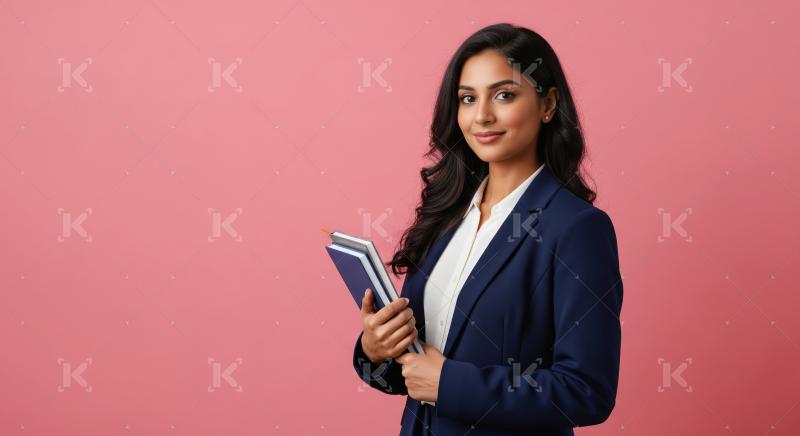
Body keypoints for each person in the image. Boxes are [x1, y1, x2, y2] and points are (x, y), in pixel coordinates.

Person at [352, 23, 623, 436]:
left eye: (504, 95)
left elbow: (586, 391)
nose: (482, 116)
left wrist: (450, 383)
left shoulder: (577, 229)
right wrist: (376, 350)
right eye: (467, 98)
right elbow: (415, 370)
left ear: (548, 104)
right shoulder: (447, 215)